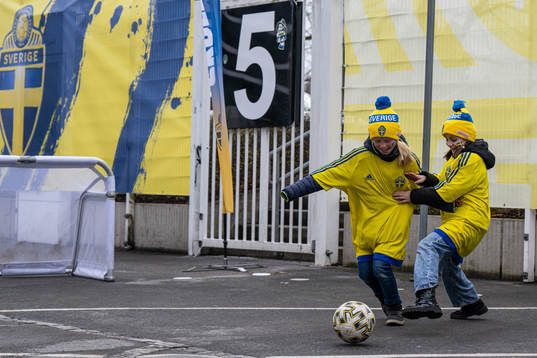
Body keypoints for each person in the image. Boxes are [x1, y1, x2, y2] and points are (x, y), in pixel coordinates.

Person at [281, 96, 430, 326]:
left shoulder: (408, 160)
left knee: (381, 266)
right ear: (371, 137)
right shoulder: (357, 160)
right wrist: (291, 191)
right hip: (365, 222)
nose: (382, 145)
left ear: (397, 137)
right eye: (378, 140)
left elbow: (428, 188)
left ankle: (394, 308)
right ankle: (385, 300)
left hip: (394, 218)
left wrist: (420, 196)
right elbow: (323, 176)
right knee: (364, 273)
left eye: (387, 140)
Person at [392, 100, 495, 320]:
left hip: (469, 221)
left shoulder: (471, 159)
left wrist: (413, 195)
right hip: (460, 221)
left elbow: (447, 194)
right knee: (448, 263)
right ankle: (472, 303)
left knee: (427, 245)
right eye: (447, 138)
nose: (449, 143)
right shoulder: (455, 160)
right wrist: (426, 179)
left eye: (453, 138)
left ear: (466, 137)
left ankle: (426, 300)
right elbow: (444, 183)